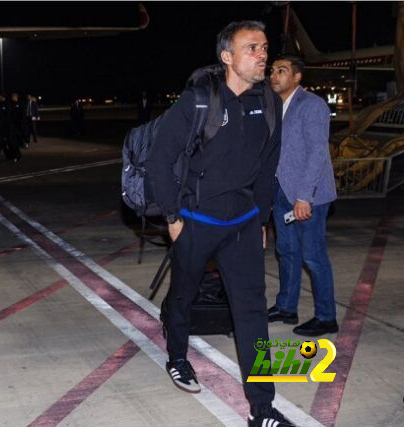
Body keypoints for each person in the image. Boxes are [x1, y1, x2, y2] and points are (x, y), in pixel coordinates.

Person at [146, 21, 294, 427]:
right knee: (183, 296)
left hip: (244, 224)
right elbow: (159, 162)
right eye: (252, 48)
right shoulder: (198, 101)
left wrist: (262, 218)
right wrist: (173, 218)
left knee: (252, 314)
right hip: (196, 221)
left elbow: (267, 169)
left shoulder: (269, 103)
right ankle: (177, 356)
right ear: (227, 56)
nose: (262, 55)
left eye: (264, 47)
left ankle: (262, 408)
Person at [268, 56, 338, 336]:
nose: (274, 75)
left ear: (297, 77)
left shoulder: (312, 105)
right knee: (286, 251)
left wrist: (304, 197)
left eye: (281, 71)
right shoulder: (275, 106)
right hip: (281, 191)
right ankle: (286, 307)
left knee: (313, 256)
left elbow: (317, 153)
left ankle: (326, 316)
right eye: (272, 70)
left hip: (308, 194)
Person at [0, 93, 19, 164]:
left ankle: (16, 155)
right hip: (1, 127)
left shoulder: (8, 104)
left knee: (10, 143)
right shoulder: (0, 104)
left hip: (8, 127)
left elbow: (7, 118)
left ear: (2, 97)